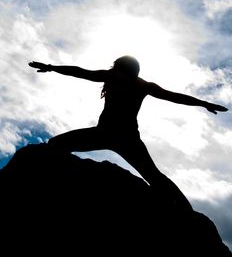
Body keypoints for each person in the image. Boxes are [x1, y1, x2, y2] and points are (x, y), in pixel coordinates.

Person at [29, 56, 228, 210]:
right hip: (122, 137)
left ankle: (187, 212)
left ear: (119, 67)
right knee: (155, 176)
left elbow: (81, 72)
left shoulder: (118, 78)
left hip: (114, 135)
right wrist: (203, 103)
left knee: (55, 145)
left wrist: (52, 67)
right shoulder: (141, 84)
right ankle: (186, 211)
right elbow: (173, 96)